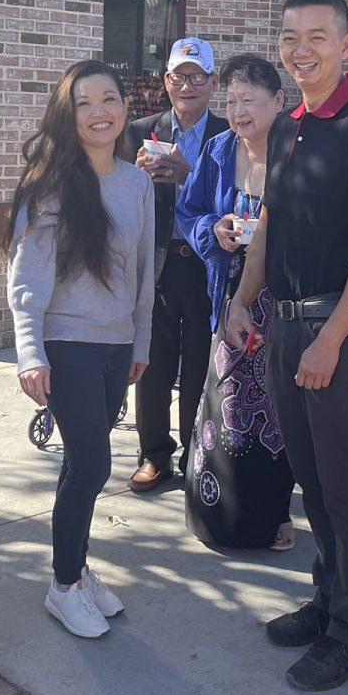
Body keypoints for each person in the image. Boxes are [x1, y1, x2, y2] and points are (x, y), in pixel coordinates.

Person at [225, 0, 348, 692]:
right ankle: (331, 602)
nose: (302, 50)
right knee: (313, 482)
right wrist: (242, 299)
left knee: (347, 487)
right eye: (291, 37)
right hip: (286, 325)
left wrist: (331, 338)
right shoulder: (290, 124)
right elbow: (270, 223)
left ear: (347, 43)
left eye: (318, 37)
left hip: (341, 329)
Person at [7, 60, 154, 638]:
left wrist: (140, 339)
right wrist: (29, 350)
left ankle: (79, 567)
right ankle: (62, 585)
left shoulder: (137, 181)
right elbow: (28, 276)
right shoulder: (49, 185)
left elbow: (144, 270)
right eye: (85, 102)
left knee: (84, 465)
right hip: (66, 344)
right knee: (90, 465)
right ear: (68, 114)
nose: (100, 112)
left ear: (125, 106)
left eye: (110, 99)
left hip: (118, 345)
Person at [176, 53, 295, 550]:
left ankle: (274, 516)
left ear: (278, 102)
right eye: (231, 100)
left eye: (249, 100)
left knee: (275, 410)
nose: (239, 110)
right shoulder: (220, 149)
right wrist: (214, 229)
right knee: (227, 407)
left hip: (281, 300)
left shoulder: (297, 152)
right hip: (228, 293)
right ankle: (216, 510)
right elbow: (189, 210)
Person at [126, 38, 228, 491]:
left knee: (201, 367)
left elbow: (235, 194)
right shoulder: (140, 131)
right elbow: (115, 196)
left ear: (212, 81)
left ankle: (195, 452)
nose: (187, 86)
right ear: (166, 81)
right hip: (158, 262)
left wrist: (190, 175)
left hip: (206, 263)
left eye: (197, 77)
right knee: (151, 361)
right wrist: (134, 175)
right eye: (178, 76)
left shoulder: (228, 135)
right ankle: (154, 454)